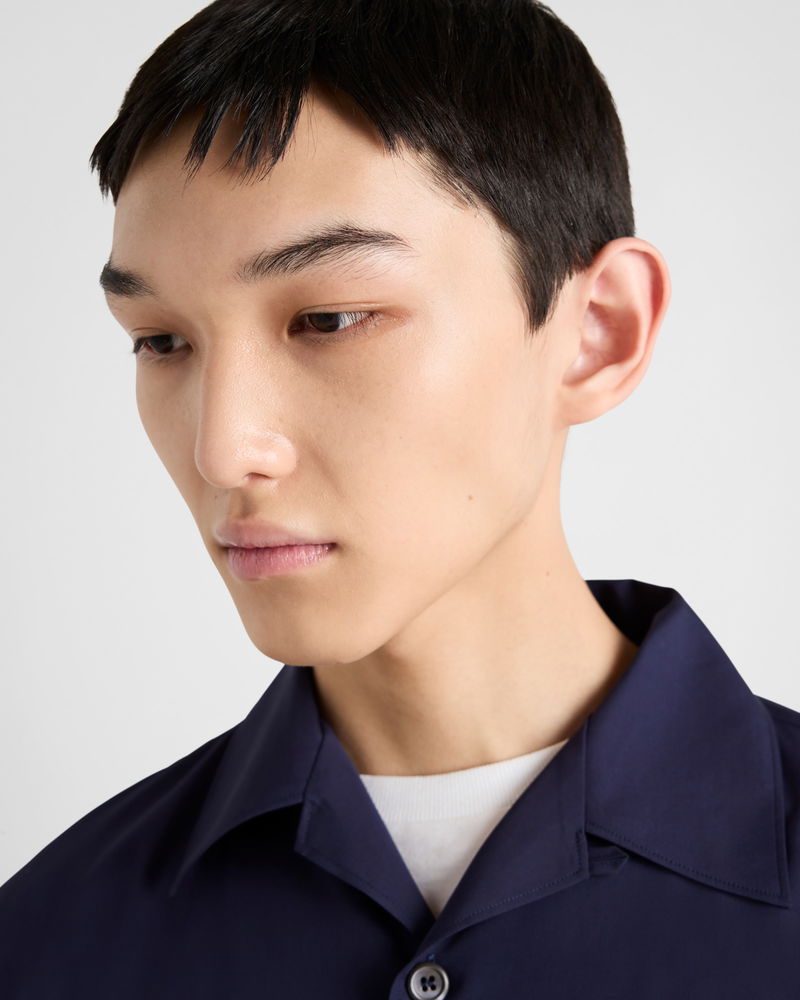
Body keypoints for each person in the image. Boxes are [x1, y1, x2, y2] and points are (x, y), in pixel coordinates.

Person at [1, 0, 798, 996]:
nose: (222, 450)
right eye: (161, 340)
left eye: (330, 318)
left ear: (598, 331)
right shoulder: (47, 941)